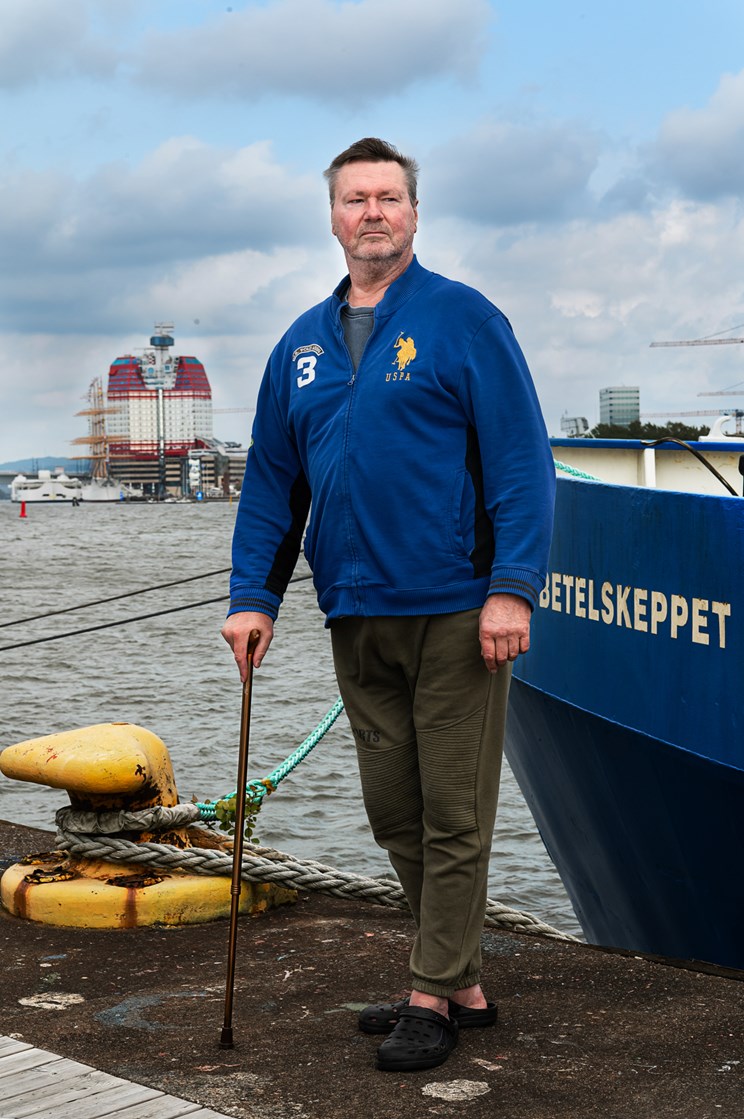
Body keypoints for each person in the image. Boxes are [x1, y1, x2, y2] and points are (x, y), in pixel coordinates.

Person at [222, 137, 555, 1073]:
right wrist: (256, 595)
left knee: (455, 812)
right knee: (394, 810)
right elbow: (272, 485)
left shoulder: (464, 319)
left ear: (414, 215)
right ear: (333, 216)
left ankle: (429, 993)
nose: (373, 211)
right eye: (356, 198)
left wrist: (511, 588)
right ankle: (463, 981)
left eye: (390, 198)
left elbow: (523, 467)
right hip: (355, 610)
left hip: (458, 608)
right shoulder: (299, 345)